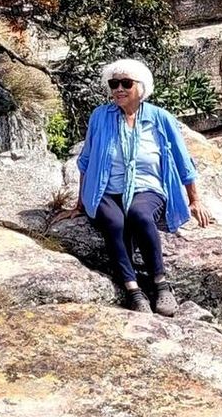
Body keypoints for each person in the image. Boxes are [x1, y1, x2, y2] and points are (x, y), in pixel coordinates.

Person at [72, 59, 212, 314]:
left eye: (126, 83)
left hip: (147, 188)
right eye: (114, 84)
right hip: (106, 189)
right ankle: (133, 290)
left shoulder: (160, 118)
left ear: (142, 87)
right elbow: (86, 160)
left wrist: (195, 200)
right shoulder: (100, 117)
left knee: (139, 215)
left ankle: (160, 284)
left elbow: (183, 160)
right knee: (114, 224)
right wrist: (80, 202)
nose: (119, 89)